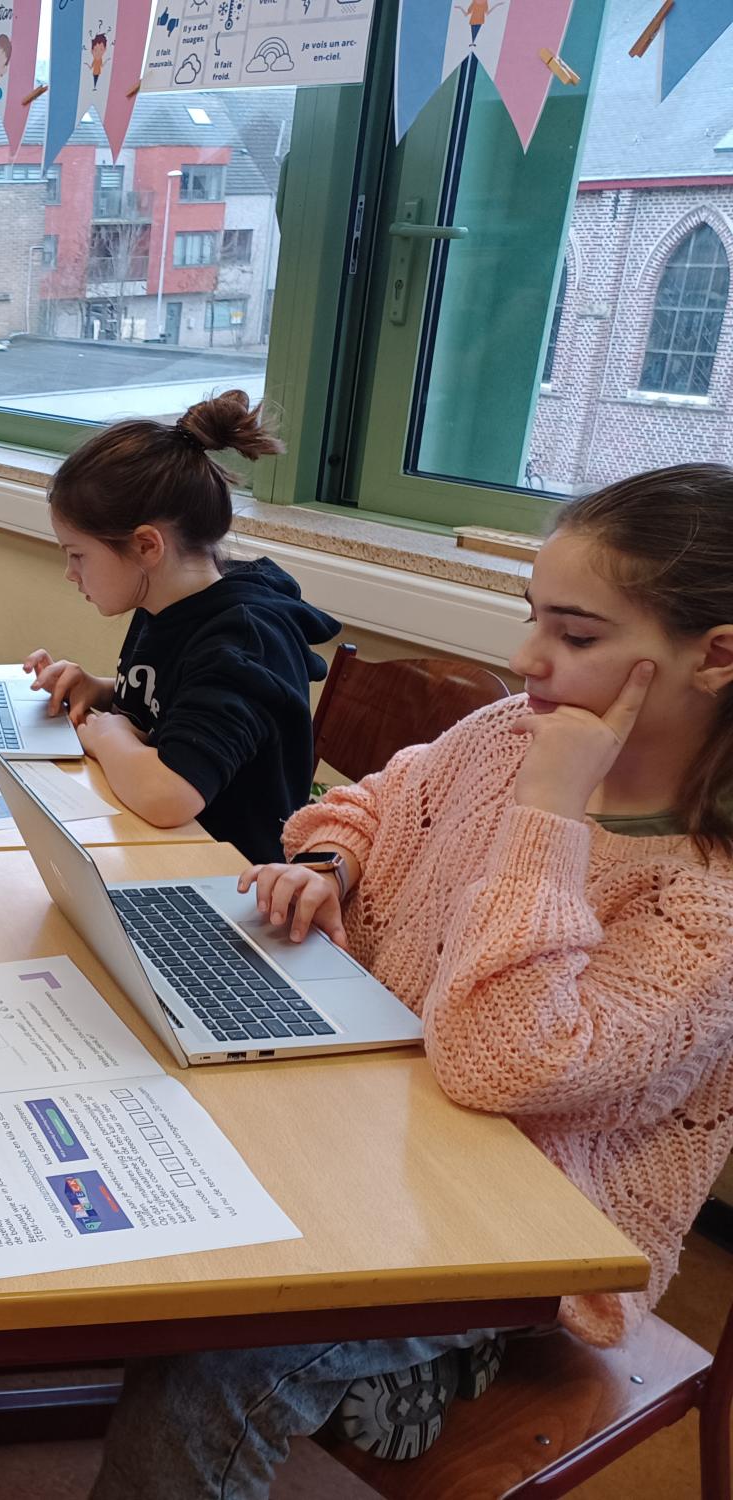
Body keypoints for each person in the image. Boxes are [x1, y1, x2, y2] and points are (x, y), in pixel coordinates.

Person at [90, 464, 733, 1496]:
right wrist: (328, 865)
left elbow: (498, 1065)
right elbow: (378, 798)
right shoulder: (508, 734)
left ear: (716, 657)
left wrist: (549, 812)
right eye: (532, 616)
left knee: (214, 1354)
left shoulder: (704, 901)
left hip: (514, 1228)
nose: (526, 659)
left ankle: (459, 1348)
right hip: (374, 1111)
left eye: (574, 636)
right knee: (147, 1138)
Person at [21, 391, 336, 863]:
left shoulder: (243, 643)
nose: (71, 573)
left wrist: (107, 737)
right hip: (164, 851)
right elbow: (172, 704)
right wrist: (99, 691)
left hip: (229, 877)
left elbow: (168, 796)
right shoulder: (166, 601)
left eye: (78, 554)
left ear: (147, 546)